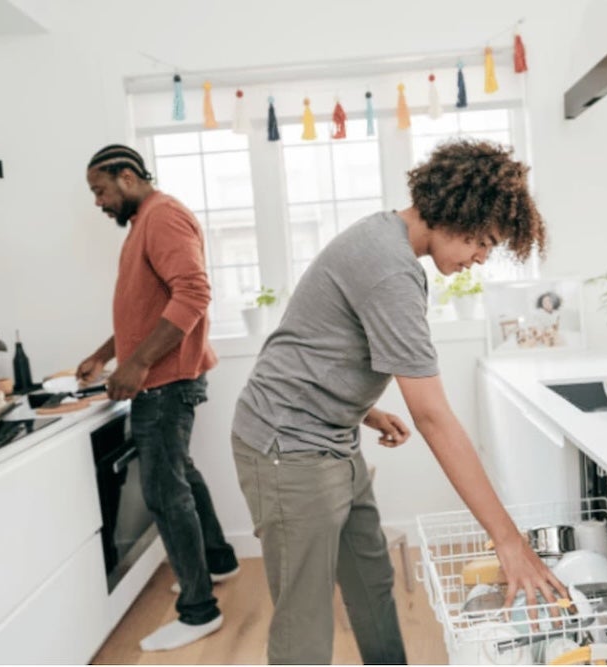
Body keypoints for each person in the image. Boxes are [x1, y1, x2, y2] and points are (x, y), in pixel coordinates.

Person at [231, 139, 569, 664]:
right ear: (457, 214)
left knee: (371, 581)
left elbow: (314, 338)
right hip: (286, 447)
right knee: (305, 620)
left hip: (333, 436)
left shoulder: (385, 241)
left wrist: (362, 410)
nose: (482, 257)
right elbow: (432, 416)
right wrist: (509, 541)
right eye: (483, 241)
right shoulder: (390, 269)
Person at [77, 144, 238, 652]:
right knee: (180, 473)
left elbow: (193, 294)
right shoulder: (144, 222)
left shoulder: (163, 217)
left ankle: (198, 610)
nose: (98, 202)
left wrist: (139, 364)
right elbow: (146, 309)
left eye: (100, 190)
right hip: (164, 377)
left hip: (165, 382)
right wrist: (106, 354)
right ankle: (218, 560)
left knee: (166, 492)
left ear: (127, 177)